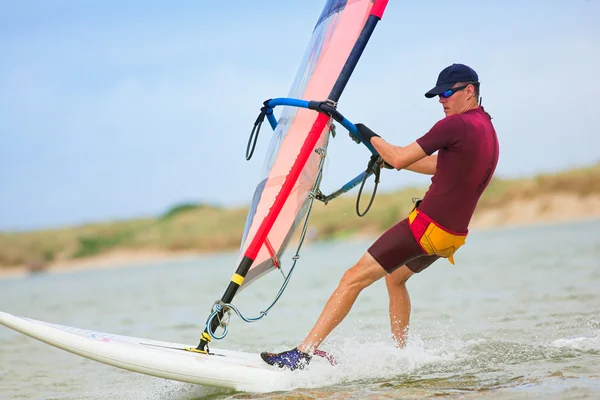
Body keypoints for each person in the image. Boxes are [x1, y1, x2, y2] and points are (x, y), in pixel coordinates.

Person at [260, 63, 500, 370]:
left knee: (351, 279)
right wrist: (386, 156)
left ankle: (302, 353)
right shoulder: (486, 128)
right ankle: (403, 356)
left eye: (447, 93)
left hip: (427, 227)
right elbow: (436, 165)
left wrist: (368, 134)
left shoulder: (455, 125)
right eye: (438, 95)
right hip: (451, 237)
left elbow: (398, 158)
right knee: (395, 278)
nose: (442, 100)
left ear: (470, 90)